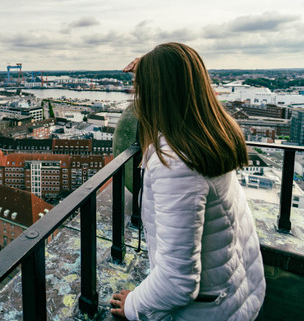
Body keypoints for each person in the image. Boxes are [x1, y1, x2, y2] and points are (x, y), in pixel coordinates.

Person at [110, 43, 265, 320]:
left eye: (141, 88)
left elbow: (176, 283)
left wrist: (134, 305)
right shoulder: (211, 134)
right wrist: (153, 65)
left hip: (205, 310)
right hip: (235, 290)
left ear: (156, 93)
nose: (136, 94)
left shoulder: (177, 164)